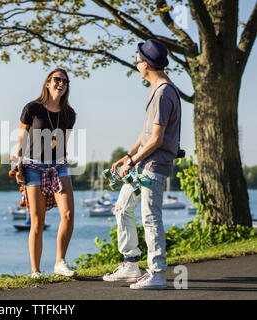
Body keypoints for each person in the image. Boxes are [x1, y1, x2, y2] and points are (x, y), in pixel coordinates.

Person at [102, 39, 182, 290]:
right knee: (123, 208)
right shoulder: (157, 89)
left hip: (153, 166)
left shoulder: (163, 93)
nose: (136, 63)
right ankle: (131, 264)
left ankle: (157, 272)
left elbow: (157, 139)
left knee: (150, 217)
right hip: (141, 164)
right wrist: (128, 156)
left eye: (137, 59)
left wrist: (132, 162)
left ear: (145, 64)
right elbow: (147, 132)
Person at [13, 68, 77, 278]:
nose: (61, 83)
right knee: (37, 221)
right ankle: (35, 271)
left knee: (68, 214)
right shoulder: (31, 108)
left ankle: (60, 262)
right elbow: (21, 140)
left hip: (59, 165)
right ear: (48, 83)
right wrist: (16, 167)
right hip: (32, 166)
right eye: (57, 79)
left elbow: (64, 143)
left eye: (65, 81)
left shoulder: (69, 114)